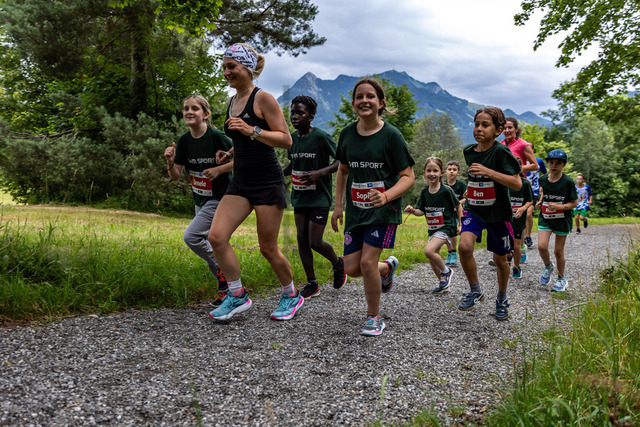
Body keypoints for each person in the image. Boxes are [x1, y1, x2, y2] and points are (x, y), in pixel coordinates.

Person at [207, 43, 303, 321]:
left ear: (247, 68)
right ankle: (237, 295)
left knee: (267, 248)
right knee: (216, 237)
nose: (226, 72)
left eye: (232, 66)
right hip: (241, 181)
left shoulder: (264, 99)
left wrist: (252, 129)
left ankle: (291, 295)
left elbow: (285, 139)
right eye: (224, 67)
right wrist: (230, 152)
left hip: (266, 182)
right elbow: (244, 139)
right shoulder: (231, 101)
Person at [331, 78, 415, 336]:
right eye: (359, 97)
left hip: (383, 211)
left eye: (370, 96)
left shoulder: (391, 136)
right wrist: (338, 206)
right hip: (356, 211)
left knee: (367, 263)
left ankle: (373, 317)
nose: (364, 101)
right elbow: (343, 169)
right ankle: (386, 269)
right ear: (353, 103)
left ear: (381, 103)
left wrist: (386, 196)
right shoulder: (347, 134)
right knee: (352, 268)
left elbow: (408, 176)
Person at [164, 95, 233, 307]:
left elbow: (244, 159)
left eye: (195, 108)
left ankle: (228, 280)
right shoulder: (184, 141)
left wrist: (219, 169)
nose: (189, 112)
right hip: (200, 198)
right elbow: (176, 175)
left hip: (221, 197)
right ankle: (228, 288)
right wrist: (170, 162)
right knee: (212, 243)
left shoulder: (217, 137)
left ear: (205, 114)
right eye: (186, 108)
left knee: (192, 237)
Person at [458, 107, 521, 321]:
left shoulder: (501, 152)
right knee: (464, 247)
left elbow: (517, 182)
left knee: (500, 259)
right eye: (477, 124)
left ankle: (502, 299)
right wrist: (472, 188)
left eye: (485, 125)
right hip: (474, 210)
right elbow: (477, 177)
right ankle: (475, 291)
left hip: (498, 214)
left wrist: (489, 172)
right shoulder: (469, 151)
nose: (479, 129)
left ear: (498, 130)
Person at [282, 95, 346, 298]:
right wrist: (279, 173)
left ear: (311, 116)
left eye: (300, 113)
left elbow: (341, 161)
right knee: (302, 240)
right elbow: (293, 165)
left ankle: (338, 263)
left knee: (315, 241)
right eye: (293, 113)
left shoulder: (321, 137)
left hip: (319, 197)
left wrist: (320, 172)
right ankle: (312, 283)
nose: (295, 116)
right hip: (300, 197)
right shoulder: (291, 139)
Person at [404, 157, 462, 293]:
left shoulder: (446, 191)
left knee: (428, 251)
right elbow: (421, 211)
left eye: (435, 171)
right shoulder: (425, 192)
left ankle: (447, 272)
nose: (432, 174)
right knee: (432, 257)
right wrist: (413, 211)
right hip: (433, 229)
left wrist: (461, 224)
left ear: (441, 173)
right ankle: (443, 283)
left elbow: (458, 206)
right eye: (429, 170)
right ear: (424, 172)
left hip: (446, 227)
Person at [536, 149, 578, 292]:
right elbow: (545, 192)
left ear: (563, 165)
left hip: (562, 219)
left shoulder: (567, 182)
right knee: (541, 246)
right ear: (547, 163)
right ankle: (548, 266)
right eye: (551, 162)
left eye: (558, 163)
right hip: (546, 217)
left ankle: (561, 279)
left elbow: (574, 203)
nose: (553, 165)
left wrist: (559, 207)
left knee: (558, 251)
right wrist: (540, 201)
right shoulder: (542, 179)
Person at [501, 117, 538, 263]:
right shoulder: (500, 145)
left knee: (518, 218)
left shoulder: (523, 144)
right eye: (504, 128)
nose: (507, 130)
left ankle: (520, 248)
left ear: (516, 129)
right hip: (503, 185)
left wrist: (517, 167)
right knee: (504, 218)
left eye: (510, 127)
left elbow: (535, 165)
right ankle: (506, 253)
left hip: (519, 185)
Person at [510, 158, 534, 279]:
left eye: (516, 166)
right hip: (505, 219)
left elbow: (530, 200)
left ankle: (516, 267)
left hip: (518, 219)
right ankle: (505, 265)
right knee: (505, 245)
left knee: (516, 245)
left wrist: (523, 208)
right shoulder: (504, 182)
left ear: (520, 168)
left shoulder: (525, 183)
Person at [443, 160, 466, 266]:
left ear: (458, 172)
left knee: (453, 232)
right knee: (445, 234)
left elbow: (465, 198)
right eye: (449, 169)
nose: (451, 171)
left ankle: (453, 253)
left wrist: (456, 204)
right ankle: (449, 252)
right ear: (445, 171)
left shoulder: (461, 185)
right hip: (445, 213)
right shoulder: (443, 185)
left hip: (457, 212)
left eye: (454, 170)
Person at [524, 150, 547, 248]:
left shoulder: (538, 161)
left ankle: (528, 236)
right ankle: (520, 237)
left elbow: (545, 174)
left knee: (528, 213)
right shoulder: (519, 160)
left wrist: (542, 186)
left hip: (533, 191)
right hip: (520, 191)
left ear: (532, 150)